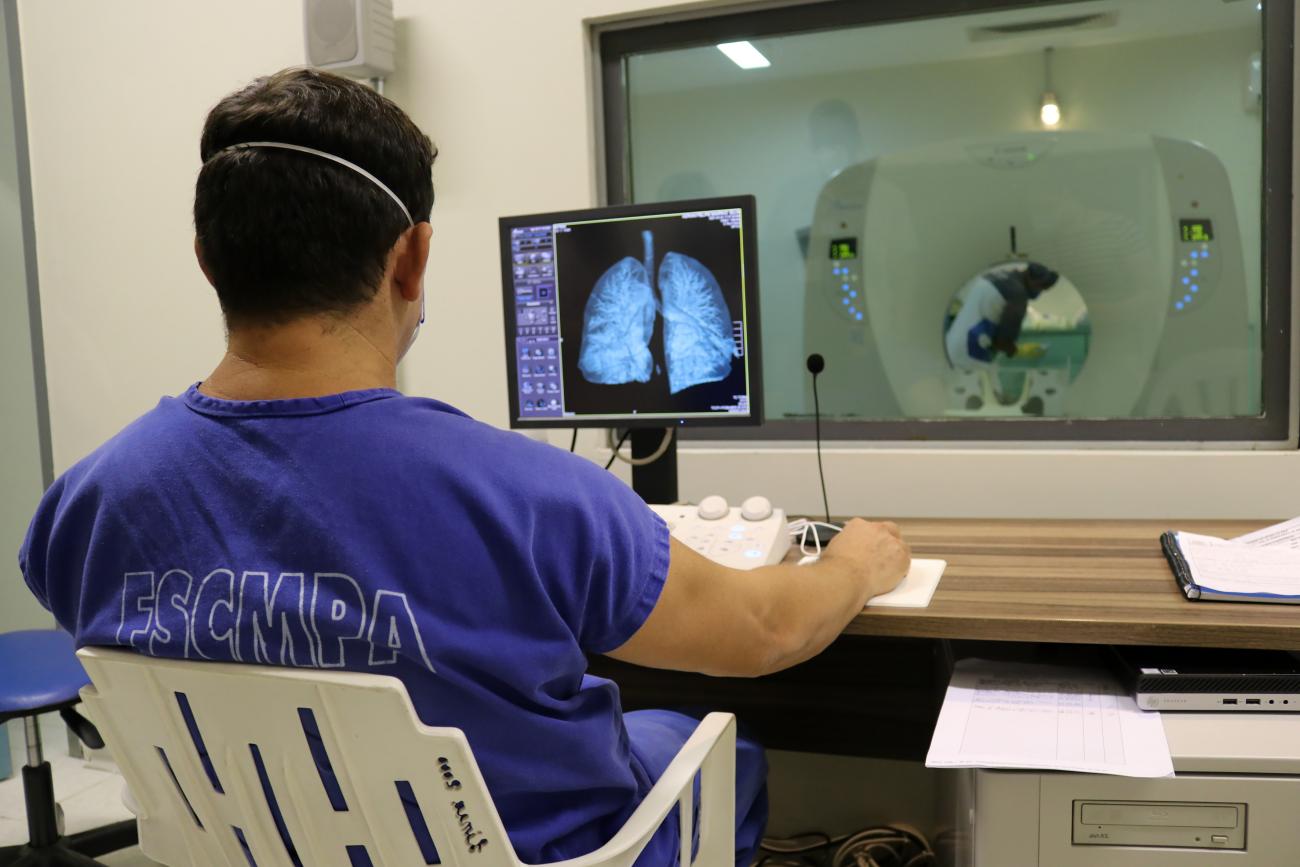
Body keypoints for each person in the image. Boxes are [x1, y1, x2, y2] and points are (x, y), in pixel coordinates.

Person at [17, 68, 910, 867]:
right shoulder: (532, 497)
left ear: (208, 260)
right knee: (721, 752)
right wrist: (853, 563)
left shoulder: (83, 505)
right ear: (411, 258)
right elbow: (762, 631)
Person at [944, 261, 1060, 369]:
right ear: (1031, 277)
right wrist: (1018, 350)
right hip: (971, 355)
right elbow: (1002, 342)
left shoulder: (992, 276)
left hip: (950, 346)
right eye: (1041, 286)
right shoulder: (1018, 295)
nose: (1040, 292)